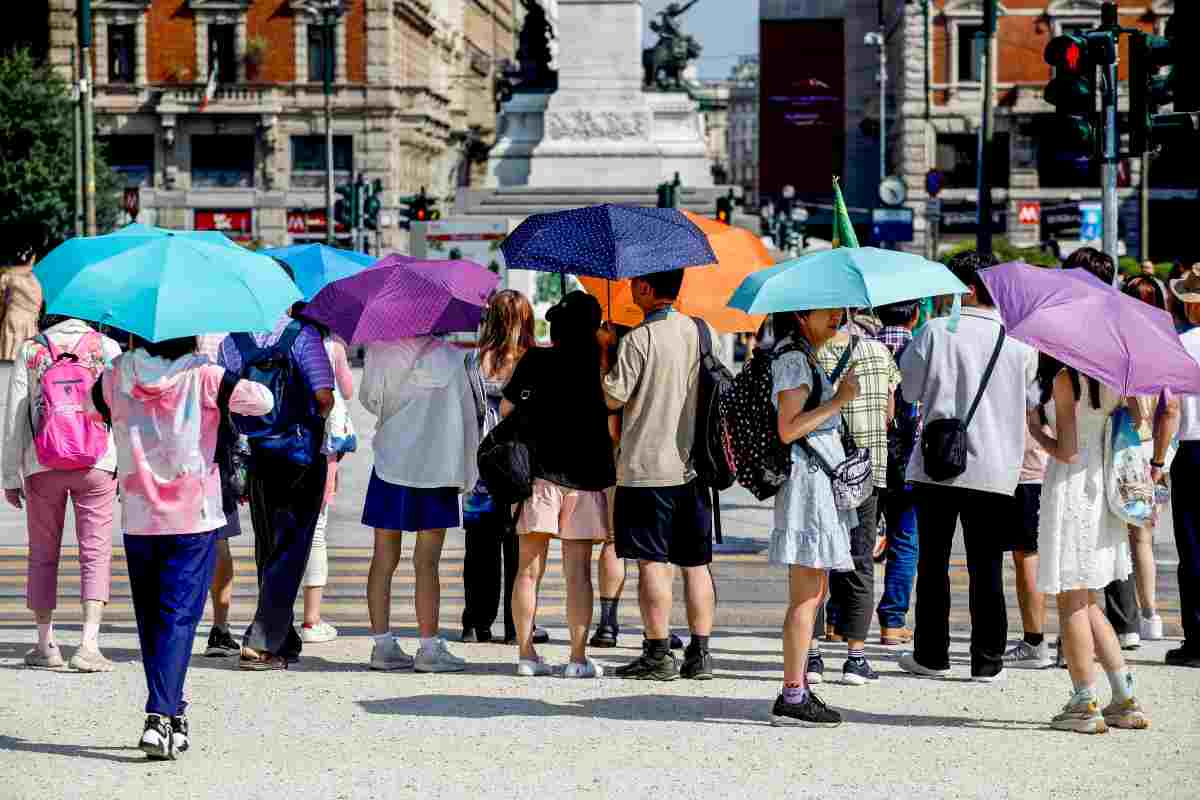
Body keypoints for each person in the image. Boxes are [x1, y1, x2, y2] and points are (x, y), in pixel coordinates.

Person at [96, 335, 272, 759]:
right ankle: (158, 715)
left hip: (139, 515)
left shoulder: (117, 373)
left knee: (151, 620)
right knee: (179, 619)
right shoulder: (205, 375)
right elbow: (262, 401)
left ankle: (174, 713)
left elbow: (94, 406)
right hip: (193, 515)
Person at [898, 250, 1038, 683]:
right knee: (987, 566)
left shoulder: (935, 332)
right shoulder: (1020, 342)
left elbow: (909, 391)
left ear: (968, 288)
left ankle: (932, 655)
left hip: (937, 465)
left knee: (934, 563)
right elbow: (1030, 402)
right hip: (996, 468)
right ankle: (987, 660)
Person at [603, 269, 719, 681]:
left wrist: (605, 351)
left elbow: (613, 397)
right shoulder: (703, 332)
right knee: (696, 562)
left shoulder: (639, 339)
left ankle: (657, 653)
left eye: (636, 283)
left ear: (648, 289)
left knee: (652, 563)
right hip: (694, 468)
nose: (631, 288)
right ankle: (700, 653)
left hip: (646, 468)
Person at [1029, 360, 1149, 733]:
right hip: (1105, 491)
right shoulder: (1116, 374)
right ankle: (1124, 697)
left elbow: (1066, 451)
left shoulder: (1066, 378)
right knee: (1088, 598)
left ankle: (1084, 703)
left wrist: (1036, 430)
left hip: (1072, 488)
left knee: (1070, 598)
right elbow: (1141, 420)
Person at [503, 291, 615, 678]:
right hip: (585, 479)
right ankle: (578, 658)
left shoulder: (536, 360)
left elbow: (506, 410)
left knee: (527, 571)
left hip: (540, 477)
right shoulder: (601, 365)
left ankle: (525, 654)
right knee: (578, 574)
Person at [2, 315, 121, 671]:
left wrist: (10, 475)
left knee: (42, 553)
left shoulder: (32, 349)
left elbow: (16, 415)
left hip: (42, 462)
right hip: (97, 462)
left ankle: (45, 645)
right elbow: (122, 409)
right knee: (96, 552)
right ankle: (88, 644)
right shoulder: (107, 347)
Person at [218, 308, 335, 670]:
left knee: (268, 544)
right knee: (293, 546)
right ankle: (262, 641)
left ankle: (283, 635)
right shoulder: (303, 336)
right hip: (300, 453)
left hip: (258, 454)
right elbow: (324, 395)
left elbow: (225, 398)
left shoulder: (233, 341)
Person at [360, 331, 477, 673]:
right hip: (436, 467)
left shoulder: (379, 347)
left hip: (391, 461)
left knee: (383, 558)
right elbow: (468, 417)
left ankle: (382, 644)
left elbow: (369, 400)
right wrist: (466, 474)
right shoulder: (453, 358)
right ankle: (428, 646)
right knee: (427, 562)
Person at [767, 308, 860, 726]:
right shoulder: (792, 360)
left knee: (814, 591)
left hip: (818, 486)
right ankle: (793, 693)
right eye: (830, 313)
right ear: (803, 314)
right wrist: (839, 400)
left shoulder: (806, 356)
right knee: (806, 596)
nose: (838, 319)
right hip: (808, 488)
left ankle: (798, 686)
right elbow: (788, 428)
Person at [812, 315, 899, 685]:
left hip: (822, 468)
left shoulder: (811, 354)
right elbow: (890, 412)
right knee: (860, 559)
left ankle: (812, 655)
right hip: (866, 470)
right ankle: (855, 657)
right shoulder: (880, 353)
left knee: (814, 559)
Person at [1063, 248, 1142, 649]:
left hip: (1073, 452)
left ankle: (1078, 636)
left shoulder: (1067, 332)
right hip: (1111, 447)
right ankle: (1125, 625)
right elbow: (1139, 410)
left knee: (1077, 542)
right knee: (1112, 534)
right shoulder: (1122, 329)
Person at [461, 290, 545, 645]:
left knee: (478, 548)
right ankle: (517, 625)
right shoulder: (534, 360)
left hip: (480, 464)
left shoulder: (470, 361)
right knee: (519, 548)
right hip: (521, 465)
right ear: (526, 321)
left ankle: (475, 623)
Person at [1151, 263, 1200, 669]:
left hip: (1194, 450)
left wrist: (1157, 459)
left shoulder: (1182, 345)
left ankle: (1197, 639)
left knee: (1194, 547)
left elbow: (1170, 408)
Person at [298, 307, 357, 645]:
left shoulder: (286, 340)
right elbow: (347, 392)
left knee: (280, 533)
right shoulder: (331, 345)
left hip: (283, 443)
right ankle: (311, 619)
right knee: (317, 531)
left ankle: (274, 616)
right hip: (323, 447)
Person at [1119, 276, 1168, 644]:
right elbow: (1174, 408)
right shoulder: (1167, 344)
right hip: (1157, 449)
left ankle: (1128, 619)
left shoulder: (1123, 345)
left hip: (1124, 449)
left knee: (1121, 536)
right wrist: (1161, 460)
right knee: (1143, 537)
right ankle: (1150, 613)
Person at [872, 301, 922, 646]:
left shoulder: (861, 348)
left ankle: (839, 621)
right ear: (915, 314)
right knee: (905, 542)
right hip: (908, 463)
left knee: (855, 541)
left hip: (866, 459)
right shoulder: (921, 350)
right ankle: (892, 623)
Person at [196, 332, 243, 658]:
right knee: (219, 539)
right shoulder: (232, 337)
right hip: (214, 454)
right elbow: (254, 400)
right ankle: (220, 626)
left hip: (164, 465)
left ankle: (172, 624)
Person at [1002, 387, 1053, 670]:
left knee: (1026, 557)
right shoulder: (1068, 370)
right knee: (1059, 558)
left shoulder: (1028, 371)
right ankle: (1072, 640)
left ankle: (1035, 642)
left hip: (1026, 473)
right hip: (1058, 473)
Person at [0, 255, 43, 361]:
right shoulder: (37, 280)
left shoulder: (8, 276)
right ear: (32, 260)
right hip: (30, 323)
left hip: (13, 318)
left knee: (9, 353)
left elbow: (2, 300)